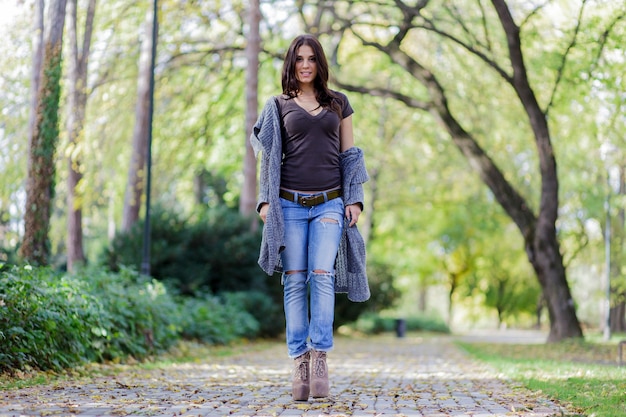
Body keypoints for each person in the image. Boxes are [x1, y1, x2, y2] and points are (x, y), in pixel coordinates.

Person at [250, 34, 370, 402]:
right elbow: (267, 158)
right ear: (291, 63)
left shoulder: (339, 104)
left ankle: (320, 356)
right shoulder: (277, 106)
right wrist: (264, 203)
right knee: (294, 279)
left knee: (322, 275)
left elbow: (350, 156)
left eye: (311, 58)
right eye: (299, 58)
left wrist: (355, 200)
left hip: (330, 204)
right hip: (288, 203)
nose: (305, 65)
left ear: (320, 63)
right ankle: (299, 360)